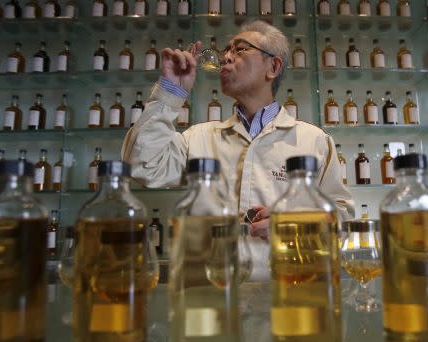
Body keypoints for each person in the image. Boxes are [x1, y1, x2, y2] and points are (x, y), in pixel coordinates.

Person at [121, 19, 354, 280]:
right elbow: (141, 164)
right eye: (225, 51)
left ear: (273, 66)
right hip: (211, 297)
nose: (225, 58)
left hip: (288, 297)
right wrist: (170, 91)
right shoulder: (198, 138)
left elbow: (343, 221)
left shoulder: (314, 141)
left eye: (240, 49)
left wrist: (296, 225)